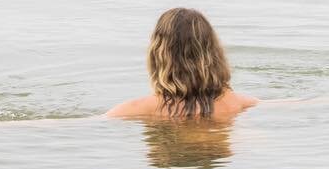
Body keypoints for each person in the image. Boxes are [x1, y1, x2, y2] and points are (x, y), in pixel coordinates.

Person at [104, 7, 258, 121]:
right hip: (220, 155)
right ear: (214, 53)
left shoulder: (140, 109)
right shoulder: (236, 103)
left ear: (158, 55)